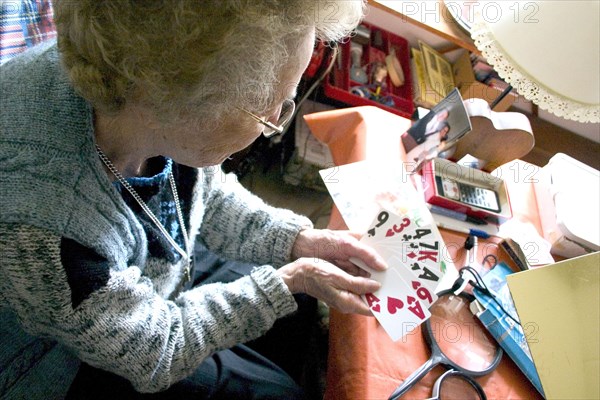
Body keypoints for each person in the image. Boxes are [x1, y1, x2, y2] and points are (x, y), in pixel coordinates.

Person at [0, 1, 388, 399]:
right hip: (67, 360)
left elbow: (203, 189)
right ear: (183, 106)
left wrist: (295, 242)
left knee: (299, 311)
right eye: (266, 112)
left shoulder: (134, 83)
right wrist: (289, 280)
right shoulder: (43, 234)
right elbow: (157, 352)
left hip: (151, 267)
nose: (273, 127)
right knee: (279, 392)